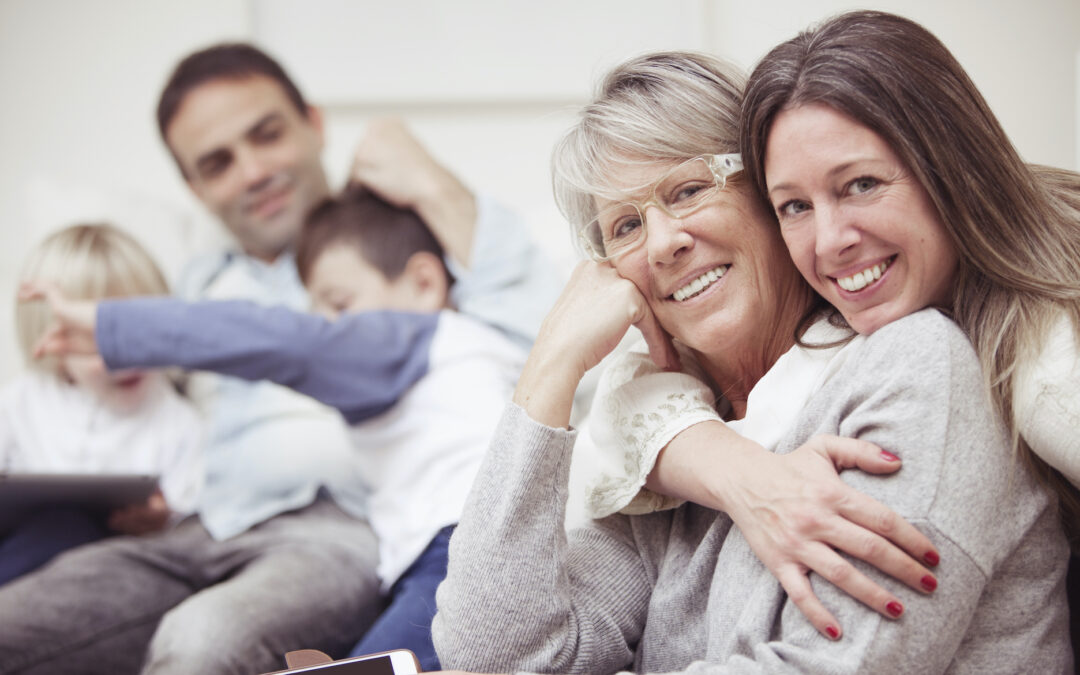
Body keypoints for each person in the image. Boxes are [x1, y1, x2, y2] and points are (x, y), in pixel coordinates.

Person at [431, 48, 1071, 672]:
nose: (662, 244)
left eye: (688, 190)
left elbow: (831, 665)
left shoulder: (914, 366)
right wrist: (551, 364)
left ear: (770, 199)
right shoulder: (664, 444)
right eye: (625, 227)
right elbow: (497, 655)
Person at [0, 43, 558, 675]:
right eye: (218, 163)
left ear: (314, 125)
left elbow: (540, 341)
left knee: (203, 641)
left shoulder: (390, 253)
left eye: (266, 135)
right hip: (198, 526)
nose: (253, 172)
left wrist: (431, 180)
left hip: (331, 532)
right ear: (194, 189)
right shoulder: (197, 281)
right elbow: (139, 409)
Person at [577, 8, 1080, 641]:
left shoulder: (1039, 355)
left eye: (861, 184)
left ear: (950, 166)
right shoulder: (791, 352)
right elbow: (630, 409)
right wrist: (742, 475)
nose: (830, 240)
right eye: (795, 205)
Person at [24, 189, 526, 671]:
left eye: (338, 306)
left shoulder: (406, 339)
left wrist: (112, 327)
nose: (326, 325)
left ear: (424, 284)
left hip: (457, 553)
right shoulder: (487, 349)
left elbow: (278, 340)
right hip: (485, 550)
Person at [0, 224, 202, 585]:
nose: (125, 357)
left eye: (139, 332)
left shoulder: (179, 424)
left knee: (69, 527)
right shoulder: (20, 402)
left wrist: (161, 520)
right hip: (19, 549)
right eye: (96, 340)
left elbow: (190, 528)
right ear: (50, 340)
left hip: (108, 565)